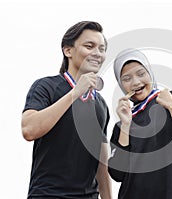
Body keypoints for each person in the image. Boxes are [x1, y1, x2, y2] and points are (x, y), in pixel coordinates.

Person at [21, 21, 112, 199]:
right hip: (48, 195)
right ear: (68, 50)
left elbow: (101, 161)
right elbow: (29, 130)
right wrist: (75, 92)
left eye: (102, 49)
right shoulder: (46, 86)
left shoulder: (101, 104)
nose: (97, 53)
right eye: (89, 46)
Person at [108, 48, 172, 199]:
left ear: (150, 73)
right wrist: (126, 126)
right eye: (126, 78)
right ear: (121, 85)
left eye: (141, 74)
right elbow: (117, 174)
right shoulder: (121, 125)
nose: (136, 82)